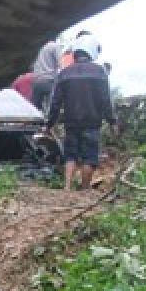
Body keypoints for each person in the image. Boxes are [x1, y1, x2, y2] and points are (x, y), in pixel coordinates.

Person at [46, 35, 116, 191]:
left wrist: (49, 123)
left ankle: (67, 187)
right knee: (89, 157)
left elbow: (55, 101)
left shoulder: (65, 73)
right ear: (91, 52)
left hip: (71, 122)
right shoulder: (99, 72)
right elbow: (106, 100)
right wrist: (112, 121)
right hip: (92, 122)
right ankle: (85, 189)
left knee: (70, 155)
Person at [31, 38, 63, 111]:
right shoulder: (55, 46)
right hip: (49, 80)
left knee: (35, 109)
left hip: (36, 80)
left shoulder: (42, 47)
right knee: (51, 108)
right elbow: (61, 65)